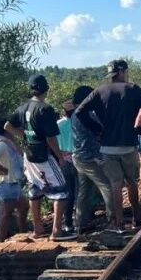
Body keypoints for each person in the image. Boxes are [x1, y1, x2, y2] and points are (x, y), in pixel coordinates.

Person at [75, 59, 141, 230]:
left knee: (115, 183)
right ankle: (136, 219)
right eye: (126, 71)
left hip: (107, 146)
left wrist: (97, 129)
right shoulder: (132, 89)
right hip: (129, 144)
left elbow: (79, 111)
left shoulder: (100, 91)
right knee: (132, 183)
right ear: (122, 72)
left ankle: (119, 222)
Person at [5, 74, 75, 241]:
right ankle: (57, 231)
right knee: (62, 191)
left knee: (35, 189)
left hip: (28, 155)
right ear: (46, 89)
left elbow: (8, 126)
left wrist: (26, 136)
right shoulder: (46, 109)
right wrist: (59, 156)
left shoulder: (22, 108)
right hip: (44, 155)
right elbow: (51, 138)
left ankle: (37, 228)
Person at [70, 85, 119, 233]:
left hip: (78, 156)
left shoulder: (74, 114)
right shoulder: (87, 114)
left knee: (84, 190)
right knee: (107, 187)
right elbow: (98, 132)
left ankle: (80, 222)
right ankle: (113, 220)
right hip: (90, 158)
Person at [0, 118, 28, 241]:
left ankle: (23, 235)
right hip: (6, 183)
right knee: (6, 213)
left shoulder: (8, 143)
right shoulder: (1, 144)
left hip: (13, 183)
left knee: (24, 207)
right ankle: (1, 243)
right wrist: (2, 169)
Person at [57, 100, 77, 236]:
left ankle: (68, 223)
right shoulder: (78, 122)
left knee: (68, 191)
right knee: (81, 190)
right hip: (78, 158)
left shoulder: (58, 124)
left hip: (63, 158)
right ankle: (82, 219)